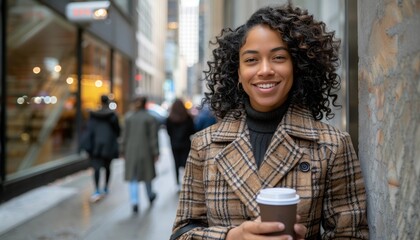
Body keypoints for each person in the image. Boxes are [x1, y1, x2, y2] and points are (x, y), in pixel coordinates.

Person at [171, 3, 369, 240]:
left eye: (278, 57)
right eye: (251, 60)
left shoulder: (333, 145)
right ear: (237, 72)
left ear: (297, 66)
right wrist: (233, 237)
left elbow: (352, 235)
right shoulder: (205, 145)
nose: (265, 70)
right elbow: (181, 233)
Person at [120, 96, 159, 213]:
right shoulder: (150, 118)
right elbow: (153, 138)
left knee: (133, 177)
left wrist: (122, 150)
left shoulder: (128, 117)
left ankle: (134, 202)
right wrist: (156, 152)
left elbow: (124, 136)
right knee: (147, 175)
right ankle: (150, 195)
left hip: (130, 151)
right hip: (145, 151)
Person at [81, 95, 120, 203]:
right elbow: (118, 131)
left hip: (96, 146)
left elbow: (89, 129)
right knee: (107, 167)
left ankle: (97, 189)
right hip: (109, 145)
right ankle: (106, 188)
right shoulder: (112, 115)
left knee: (96, 168)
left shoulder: (94, 115)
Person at [166, 98, 196, 187]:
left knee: (175, 163)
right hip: (186, 144)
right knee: (186, 163)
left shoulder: (169, 119)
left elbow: (168, 132)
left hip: (174, 144)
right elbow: (192, 130)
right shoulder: (188, 117)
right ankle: (187, 180)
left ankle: (177, 183)